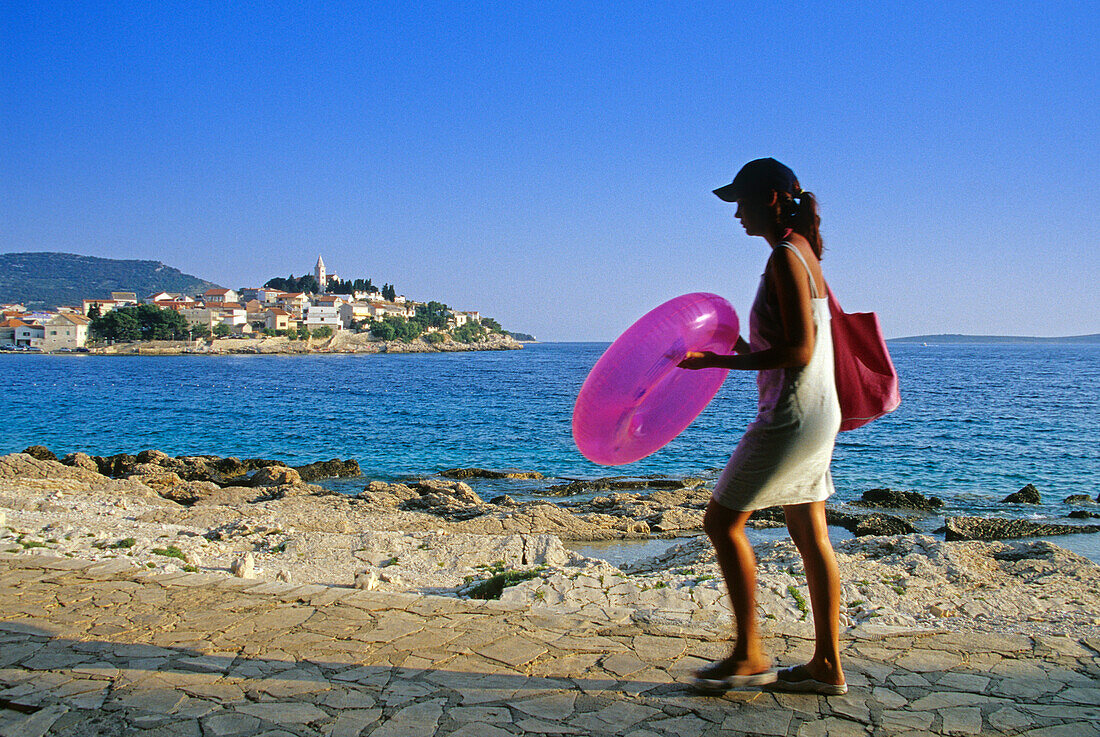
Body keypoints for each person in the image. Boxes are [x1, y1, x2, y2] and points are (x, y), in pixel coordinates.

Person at [678, 158, 847, 695]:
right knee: (810, 533)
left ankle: (750, 652)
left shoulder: (783, 258)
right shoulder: (805, 253)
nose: (736, 214)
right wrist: (736, 346)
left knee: (722, 522)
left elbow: (798, 351)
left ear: (772, 199)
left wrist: (715, 364)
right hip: (821, 410)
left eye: (742, 202)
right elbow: (788, 344)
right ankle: (826, 666)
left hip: (791, 416)